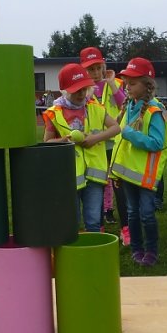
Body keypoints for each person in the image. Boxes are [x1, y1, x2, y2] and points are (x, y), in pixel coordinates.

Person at [43, 63, 120, 235]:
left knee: (93, 220)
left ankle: (93, 254)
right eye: (76, 90)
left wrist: (95, 138)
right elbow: (47, 142)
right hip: (69, 176)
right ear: (64, 90)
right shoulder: (54, 113)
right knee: (73, 219)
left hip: (94, 174)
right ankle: (74, 255)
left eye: (84, 89)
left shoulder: (95, 107)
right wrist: (65, 140)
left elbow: (116, 128)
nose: (81, 94)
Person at [109, 57, 167, 267]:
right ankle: (136, 248)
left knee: (146, 214)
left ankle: (151, 250)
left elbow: (157, 143)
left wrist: (129, 134)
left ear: (148, 85)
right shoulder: (129, 107)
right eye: (126, 82)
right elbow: (119, 144)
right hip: (128, 175)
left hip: (145, 176)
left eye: (133, 83)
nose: (128, 86)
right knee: (132, 213)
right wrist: (115, 173)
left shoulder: (155, 111)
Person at [79, 47, 130, 241]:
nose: (94, 73)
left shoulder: (114, 83)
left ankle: (126, 228)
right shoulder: (82, 88)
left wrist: (112, 84)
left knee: (119, 186)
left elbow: (124, 104)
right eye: (89, 69)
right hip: (94, 146)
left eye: (97, 68)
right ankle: (97, 226)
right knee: (96, 184)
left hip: (114, 143)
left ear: (103, 67)